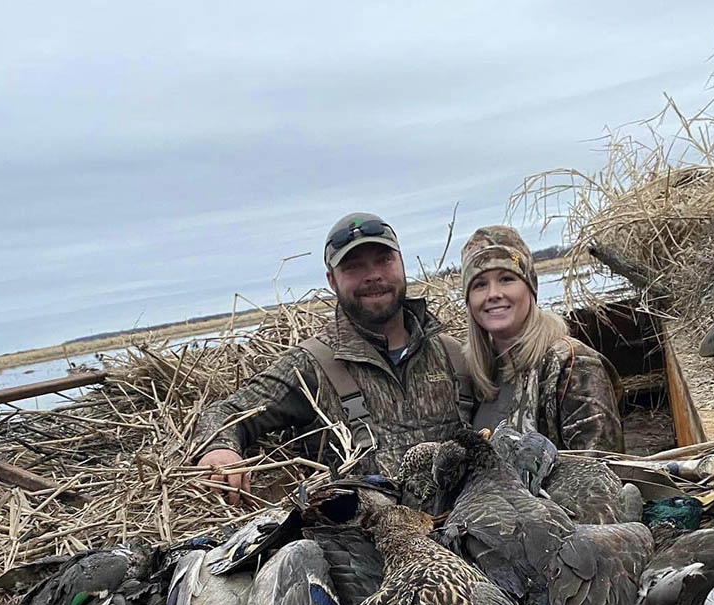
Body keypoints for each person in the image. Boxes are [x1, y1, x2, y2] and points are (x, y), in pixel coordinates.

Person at [193, 212, 472, 503]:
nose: (373, 275)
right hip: (364, 542)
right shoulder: (312, 364)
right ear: (331, 280)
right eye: (354, 267)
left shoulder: (455, 356)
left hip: (465, 532)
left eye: (384, 260)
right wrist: (220, 450)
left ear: (402, 263)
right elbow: (225, 414)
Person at [460, 225, 624, 452]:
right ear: (469, 301)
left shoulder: (574, 364)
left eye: (507, 278)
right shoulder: (474, 375)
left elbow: (602, 470)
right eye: (480, 285)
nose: (493, 294)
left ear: (530, 288)